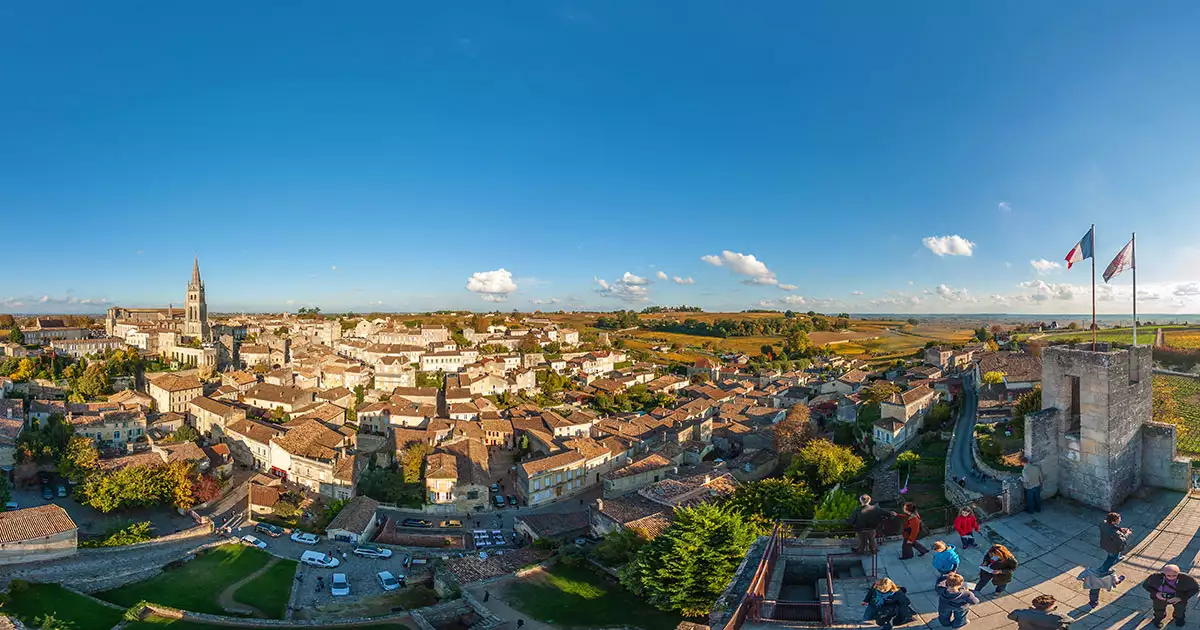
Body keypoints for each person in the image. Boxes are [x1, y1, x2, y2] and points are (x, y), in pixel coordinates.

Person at [1006, 594, 1073, 630]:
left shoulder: (1020, 612)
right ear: (1050, 606)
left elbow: (1010, 617)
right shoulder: (1057, 616)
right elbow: (1071, 621)